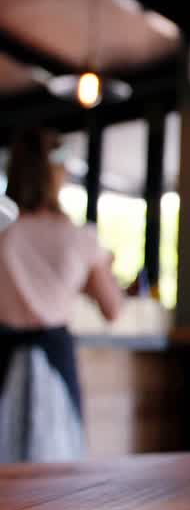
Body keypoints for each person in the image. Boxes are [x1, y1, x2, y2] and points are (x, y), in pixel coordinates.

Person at [0, 129, 123, 462]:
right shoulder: (78, 238)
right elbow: (112, 308)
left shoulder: (4, 234)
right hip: (55, 358)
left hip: (3, 356)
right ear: (55, 175)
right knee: (56, 472)